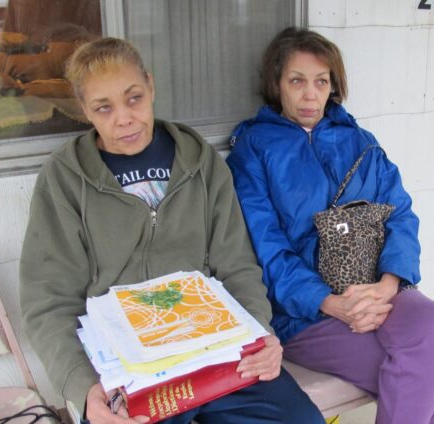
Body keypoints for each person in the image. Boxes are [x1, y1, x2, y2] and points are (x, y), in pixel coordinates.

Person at [19, 37, 324, 424]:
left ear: (151, 85)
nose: (124, 118)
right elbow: (48, 302)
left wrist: (259, 334)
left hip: (216, 350)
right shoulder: (66, 179)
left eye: (134, 98)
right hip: (130, 368)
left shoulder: (200, 163)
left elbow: (237, 265)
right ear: (84, 110)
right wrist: (84, 387)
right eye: (103, 107)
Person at [226, 27, 434, 424]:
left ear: (333, 85)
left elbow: (400, 213)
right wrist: (333, 304)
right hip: (306, 314)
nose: (310, 95)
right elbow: (265, 248)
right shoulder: (254, 149)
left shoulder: (361, 141)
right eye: (297, 81)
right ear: (276, 84)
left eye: (321, 82)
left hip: (377, 286)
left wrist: (386, 287)